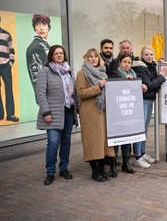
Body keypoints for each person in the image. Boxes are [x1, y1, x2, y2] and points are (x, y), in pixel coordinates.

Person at [36, 45, 78, 185]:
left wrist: (77, 109)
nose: (59, 55)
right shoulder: (45, 71)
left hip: (68, 111)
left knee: (66, 142)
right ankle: (50, 172)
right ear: (51, 56)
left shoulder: (68, 71)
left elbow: (74, 92)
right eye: (56, 53)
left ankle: (64, 168)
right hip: (52, 113)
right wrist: (46, 112)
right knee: (53, 142)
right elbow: (40, 94)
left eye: (61, 53)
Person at [76, 48, 116, 182]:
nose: (93, 59)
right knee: (93, 141)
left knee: (103, 142)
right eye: (90, 57)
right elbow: (81, 93)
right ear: (86, 58)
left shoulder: (103, 73)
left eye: (95, 57)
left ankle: (101, 169)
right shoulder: (82, 73)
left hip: (102, 111)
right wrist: (98, 87)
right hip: (89, 112)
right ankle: (94, 171)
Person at [109, 54, 148, 174]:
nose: (127, 64)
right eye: (124, 62)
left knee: (127, 138)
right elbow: (112, 88)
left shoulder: (135, 75)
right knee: (116, 139)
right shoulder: (114, 74)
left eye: (129, 62)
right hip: (117, 112)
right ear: (120, 63)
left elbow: (135, 91)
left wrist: (140, 86)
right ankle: (113, 166)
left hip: (128, 112)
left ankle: (126, 164)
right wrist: (126, 81)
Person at [133, 46, 167, 168]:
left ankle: (142, 152)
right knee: (140, 129)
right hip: (142, 100)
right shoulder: (141, 68)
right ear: (142, 56)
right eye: (146, 54)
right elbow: (149, 84)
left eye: (151, 54)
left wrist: (160, 64)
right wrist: (162, 76)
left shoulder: (151, 66)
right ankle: (137, 156)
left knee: (145, 129)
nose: (149, 56)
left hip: (149, 100)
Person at [0, 16, 19, 122]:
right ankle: (0, 114)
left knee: (8, 90)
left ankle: (10, 114)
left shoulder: (6, 34)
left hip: (5, 66)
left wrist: (10, 63)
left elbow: (11, 50)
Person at [26, 14, 52, 92]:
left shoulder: (46, 45)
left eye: (44, 24)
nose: (41, 28)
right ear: (34, 27)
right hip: (48, 97)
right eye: (38, 24)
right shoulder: (34, 48)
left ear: (48, 27)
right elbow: (37, 79)